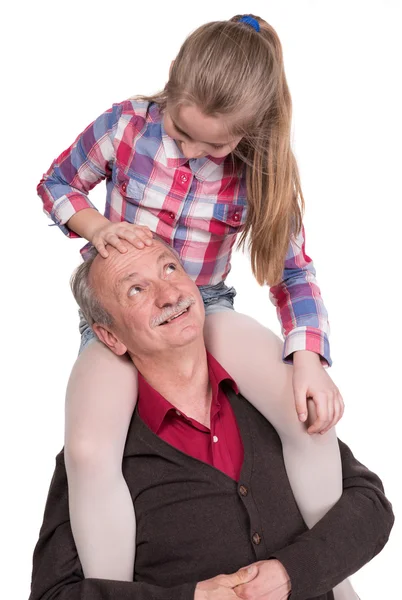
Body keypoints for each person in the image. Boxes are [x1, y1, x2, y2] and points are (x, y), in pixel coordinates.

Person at [37, 13, 352, 597]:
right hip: (126, 312)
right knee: (87, 446)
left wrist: (309, 361)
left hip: (204, 301)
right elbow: (57, 185)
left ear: (251, 130)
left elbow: (293, 273)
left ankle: (330, 576)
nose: (195, 151)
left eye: (217, 144)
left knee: (307, 416)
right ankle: (114, 591)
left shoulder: (258, 169)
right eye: (184, 136)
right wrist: (99, 228)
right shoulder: (126, 125)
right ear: (173, 84)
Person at [29, 240, 394, 600]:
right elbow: (55, 594)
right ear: (110, 336)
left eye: (170, 268)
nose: (169, 295)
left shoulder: (267, 402)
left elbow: (370, 506)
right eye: (136, 290)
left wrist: (291, 574)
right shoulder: (100, 452)